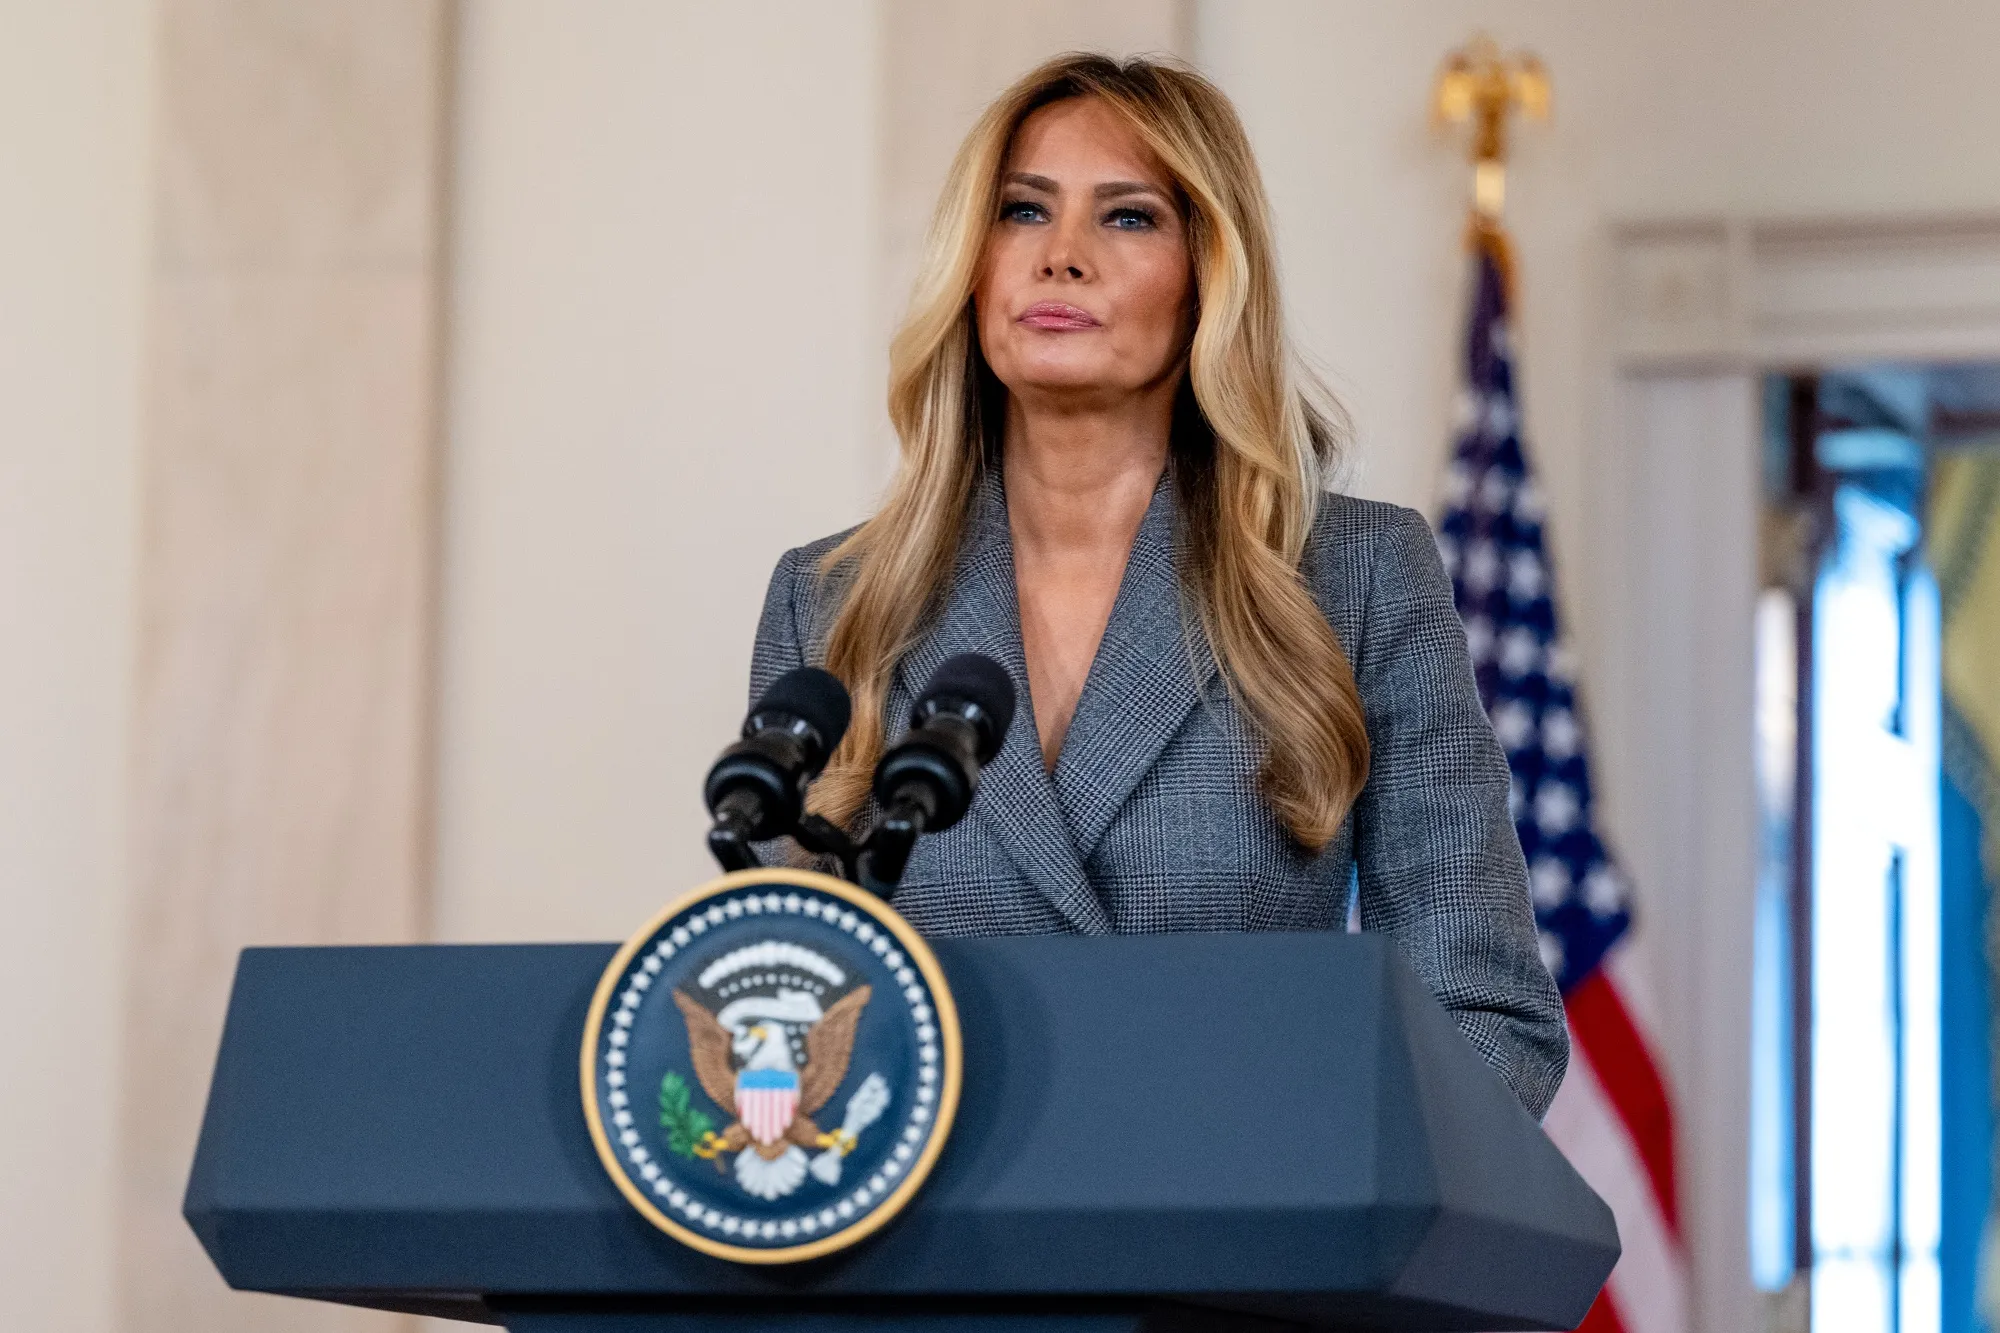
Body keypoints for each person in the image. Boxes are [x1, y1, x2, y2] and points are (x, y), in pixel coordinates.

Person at [748, 53, 1566, 1116]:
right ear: (972, 262)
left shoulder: (1354, 575)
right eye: (1020, 212)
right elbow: (775, 1000)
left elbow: (1482, 1019)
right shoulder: (832, 602)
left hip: (1245, 1255)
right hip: (932, 1266)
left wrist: (1320, 1225)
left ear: (1206, 275)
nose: (1062, 258)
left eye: (1126, 218)